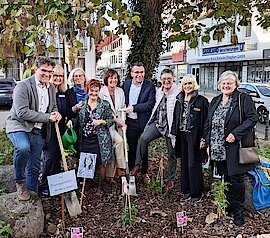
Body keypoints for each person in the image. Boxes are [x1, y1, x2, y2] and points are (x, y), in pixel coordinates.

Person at [204, 70, 257, 226]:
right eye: (223, 83)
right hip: (217, 146)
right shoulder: (215, 100)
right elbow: (209, 123)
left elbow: (252, 118)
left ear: (236, 85)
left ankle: (238, 211)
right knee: (224, 177)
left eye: (229, 83)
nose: (226, 85)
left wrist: (236, 133)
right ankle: (227, 206)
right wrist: (206, 142)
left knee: (236, 178)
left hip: (234, 146)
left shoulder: (243, 98)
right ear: (219, 85)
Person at [6, 56, 62, 201]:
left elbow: (53, 107)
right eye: (44, 70)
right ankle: (19, 181)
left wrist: (56, 113)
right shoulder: (23, 86)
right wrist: (48, 117)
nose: (47, 74)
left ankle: (32, 196)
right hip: (19, 126)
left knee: (34, 165)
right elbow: (22, 112)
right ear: (35, 69)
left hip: (38, 130)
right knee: (23, 148)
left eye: (50, 72)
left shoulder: (50, 88)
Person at [130, 68, 178, 192]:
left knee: (171, 152)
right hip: (158, 124)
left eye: (169, 79)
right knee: (143, 138)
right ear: (160, 80)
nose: (166, 81)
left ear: (173, 79)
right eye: (164, 79)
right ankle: (138, 164)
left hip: (170, 127)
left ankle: (170, 179)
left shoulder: (178, 92)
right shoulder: (158, 92)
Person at [171, 74, 209, 203]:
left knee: (194, 164)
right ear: (182, 86)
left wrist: (204, 139)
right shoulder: (179, 99)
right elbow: (176, 119)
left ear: (194, 85)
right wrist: (173, 135)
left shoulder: (201, 101)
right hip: (182, 135)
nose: (187, 86)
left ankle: (196, 193)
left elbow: (206, 121)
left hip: (195, 136)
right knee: (184, 164)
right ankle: (185, 191)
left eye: (190, 84)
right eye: (185, 84)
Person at [77, 79, 115, 197]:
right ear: (87, 91)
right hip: (85, 138)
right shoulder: (82, 104)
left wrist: (101, 121)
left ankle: (100, 187)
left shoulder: (104, 104)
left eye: (96, 91)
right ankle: (87, 182)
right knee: (86, 160)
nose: (93, 93)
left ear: (99, 91)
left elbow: (111, 120)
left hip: (99, 139)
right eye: (91, 91)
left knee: (100, 164)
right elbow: (78, 119)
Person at [123, 62, 156, 184]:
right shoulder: (126, 84)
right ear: (131, 73)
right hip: (130, 123)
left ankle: (144, 173)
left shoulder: (149, 86)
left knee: (144, 148)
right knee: (132, 148)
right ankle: (132, 172)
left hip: (143, 123)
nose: (139, 74)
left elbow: (150, 104)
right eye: (136, 72)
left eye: (141, 72)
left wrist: (134, 108)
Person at [41, 65, 68, 196]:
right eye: (55, 75)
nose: (58, 78)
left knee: (58, 157)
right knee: (50, 157)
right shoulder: (46, 91)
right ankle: (45, 185)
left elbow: (66, 111)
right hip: (48, 130)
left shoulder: (63, 93)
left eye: (61, 76)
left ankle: (56, 185)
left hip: (60, 129)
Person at [99, 69, 126, 183]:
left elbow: (123, 107)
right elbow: (103, 111)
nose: (113, 80)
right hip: (107, 124)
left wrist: (123, 122)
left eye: (115, 78)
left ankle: (110, 175)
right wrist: (115, 119)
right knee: (118, 141)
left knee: (118, 145)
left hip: (119, 123)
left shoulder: (120, 91)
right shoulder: (101, 92)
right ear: (106, 79)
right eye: (111, 78)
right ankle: (121, 168)